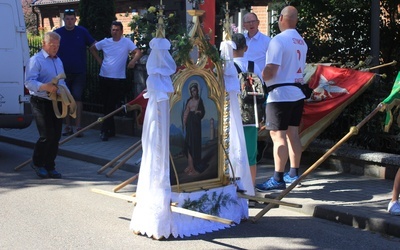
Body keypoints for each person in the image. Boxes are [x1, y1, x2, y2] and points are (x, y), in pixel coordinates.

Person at [255, 6, 308, 191]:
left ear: (281, 18)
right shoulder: (301, 42)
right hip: (297, 93)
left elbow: (271, 71)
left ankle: (278, 178)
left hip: (280, 94)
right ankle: (294, 173)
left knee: (278, 136)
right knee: (293, 133)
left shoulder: (278, 40)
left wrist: (260, 75)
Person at [25, 32, 67, 179]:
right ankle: (38, 163)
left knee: (55, 136)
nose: (55, 48)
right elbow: (29, 82)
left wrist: (67, 95)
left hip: (56, 101)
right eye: (52, 45)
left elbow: (62, 81)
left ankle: (50, 166)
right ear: (44, 44)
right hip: (40, 101)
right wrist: (45, 86)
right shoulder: (35, 60)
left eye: (57, 46)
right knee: (46, 135)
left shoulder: (58, 61)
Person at [90, 21, 142, 141]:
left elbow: (138, 52)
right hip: (104, 76)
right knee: (106, 105)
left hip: (118, 78)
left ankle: (104, 130)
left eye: (117, 30)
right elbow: (92, 48)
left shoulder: (126, 42)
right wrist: (99, 61)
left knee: (111, 105)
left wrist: (132, 61)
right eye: (113, 30)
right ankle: (110, 130)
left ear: (122, 31)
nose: (115, 32)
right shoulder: (106, 42)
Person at [55, 9, 98, 137]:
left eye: (71, 19)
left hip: (79, 72)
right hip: (63, 73)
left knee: (77, 97)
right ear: (64, 20)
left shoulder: (82, 32)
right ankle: (68, 126)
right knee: (65, 99)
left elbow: (94, 45)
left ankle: (78, 126)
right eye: (67, 19)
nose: (69, 21)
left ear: (75, 19)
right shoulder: (58, 33)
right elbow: (50, 49)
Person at [232, 33, 263, 185]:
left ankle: (234, 188)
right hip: (252, 116)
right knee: (251, 154)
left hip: (232, 116)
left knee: (232, 153)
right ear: (246, 48)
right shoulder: (254, 65)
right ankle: (251, 189)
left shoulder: (227, 67)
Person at [182, 81, 205, 175]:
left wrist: (198, 112)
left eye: (194, 90)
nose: (193, 93)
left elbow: (203, 112)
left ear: (197, 90)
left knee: (195, 144)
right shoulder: (189, 101)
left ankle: (195, 166)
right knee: (189, 144)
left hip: (196, 124)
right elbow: (186, 112)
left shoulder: (200, 101)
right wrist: (184, 122)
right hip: (189, 123)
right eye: (192, 91)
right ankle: (190, 166)